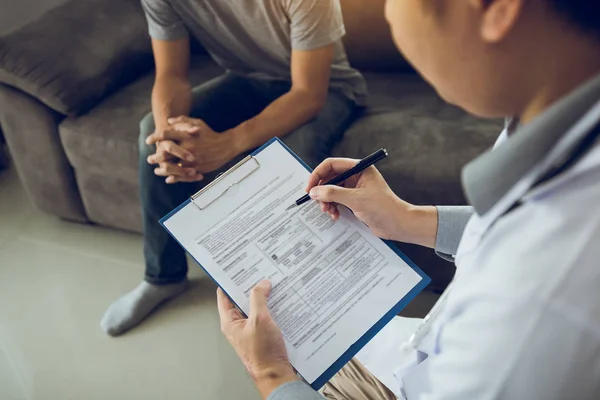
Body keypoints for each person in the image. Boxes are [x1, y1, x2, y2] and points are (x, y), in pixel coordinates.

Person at [217, 0, 600, 399]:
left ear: (498, 10)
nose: (388, 14)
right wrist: (406, 218)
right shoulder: (555, 117)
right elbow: (515, 226)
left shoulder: (534, 304)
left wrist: (271, 375)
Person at [100, 0, 367, 336]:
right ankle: (163, 276)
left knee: (291, 158)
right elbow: (170, 74)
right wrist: (169, 134)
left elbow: (308, 93)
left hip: (328, 89)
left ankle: (310, 297)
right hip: (246, 80)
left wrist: (228, 143)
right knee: (149, 134)